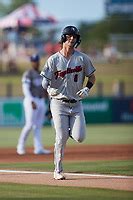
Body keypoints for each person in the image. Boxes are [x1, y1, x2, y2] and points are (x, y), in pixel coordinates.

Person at [40, 26, 96, 180]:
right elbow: (44, 82)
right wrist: (48, 88)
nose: (72, 39)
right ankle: (57, 170)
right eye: (69, 36)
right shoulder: (53, 59)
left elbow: (92, 77)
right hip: (58, 103)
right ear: (63, 38)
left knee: (80, 137)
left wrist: (87, 89)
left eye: (75, 37)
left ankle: (67, 130)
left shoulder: (82, 58)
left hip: (76, 103)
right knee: (61, 137)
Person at [17, 54, 51, 155]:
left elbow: (45, 88)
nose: (35, 63)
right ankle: (20, 146)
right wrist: (31, 100)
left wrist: (48, 100)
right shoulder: (28, 74)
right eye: (33, 61)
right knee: (29, 125)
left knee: (38, 125)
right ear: (31, 62)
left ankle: (38, 148)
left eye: (36, 61)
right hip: (31, 100)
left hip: (40, 101)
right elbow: (25, 89)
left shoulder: (41, 74)